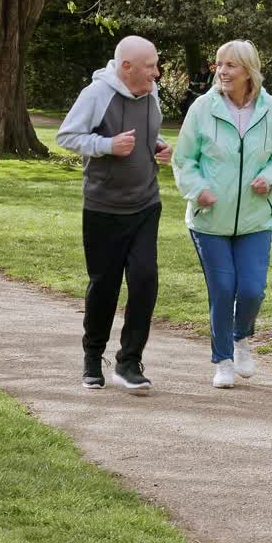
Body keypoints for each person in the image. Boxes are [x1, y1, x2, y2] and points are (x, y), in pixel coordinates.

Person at [172, 40, 272, 388]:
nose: (222, 72)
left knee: (253, 289)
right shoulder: (202, 108)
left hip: (256, 219)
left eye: (230, 65)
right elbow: (184, 159)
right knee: (223, 288)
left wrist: (270, 180)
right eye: (219, 64)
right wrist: (198, 190)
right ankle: (223, 359)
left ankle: (242, 337)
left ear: (248, 71)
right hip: (209, 220)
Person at [57, 36, 172, 390]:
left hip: (145, 204)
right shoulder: (96, 94)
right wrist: (106, 145)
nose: (157, 72)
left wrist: (158, 145)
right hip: (103, 208)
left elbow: (144, 133)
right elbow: (67, 136)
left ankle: (129, 361)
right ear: (127, 67)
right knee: (104, 286)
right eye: (151, 65)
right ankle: (93, 358)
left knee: (144, 281)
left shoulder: (151, 93)